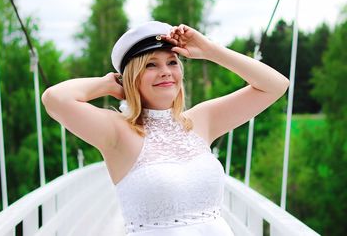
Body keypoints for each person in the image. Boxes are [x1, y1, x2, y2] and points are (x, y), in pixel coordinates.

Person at [41, 21, 289, 235]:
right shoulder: (118, 131)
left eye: (172, 62)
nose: (166, 72)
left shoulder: (201, 120)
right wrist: (108, 84)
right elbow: (55, 99)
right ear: (132, 76)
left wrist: (210, 50)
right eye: (151, 65)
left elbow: (275, 86)